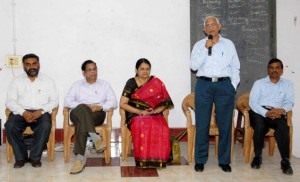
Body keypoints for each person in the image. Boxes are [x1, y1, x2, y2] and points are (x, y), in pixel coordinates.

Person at [190, 16, 240, 172]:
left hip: (224, 85)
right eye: (207, 25)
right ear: (204, 30)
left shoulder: (229, 44)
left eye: (213, 24)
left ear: (220, 27)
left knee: (225, 124)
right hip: (204, 84)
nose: (210, 27)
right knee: (202, 123)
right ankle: (200, 160)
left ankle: (224, 160)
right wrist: (206, 48)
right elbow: (193, 66)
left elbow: (235, 67)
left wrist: (232, 86)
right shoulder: (199, 45)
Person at [5, 53, 59, 168]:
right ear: (24, 66)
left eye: (34, 63)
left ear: (39, 64)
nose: (32, 67)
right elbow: (10, 101)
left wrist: (41, 111)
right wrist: (23, 112)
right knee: (10, 126)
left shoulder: (48, 81)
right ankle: (21, 158)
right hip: (21, 112)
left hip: (41, 112)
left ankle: (35, 158)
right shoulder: (16, 81)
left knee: (45, 125)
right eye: (28, 64)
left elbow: (55, 101)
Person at [64, 60, 117, 174]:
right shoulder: (76, 85)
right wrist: (83, 106)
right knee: (82, 109)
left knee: (81, 122)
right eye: (90, 70)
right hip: (77, 112)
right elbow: (67, 101)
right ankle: (96, 139)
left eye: (95, 69)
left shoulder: (104, 84)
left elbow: (114, 102)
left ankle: (79, 159)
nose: (93, 72)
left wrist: (100, 107)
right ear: (83, 73)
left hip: (96, 114)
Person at [120, 58, 174, 168]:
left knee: (160, 125)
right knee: (142, 123)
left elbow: (165, 102)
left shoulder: (156, 82)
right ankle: (143, 159)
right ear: (136, 70)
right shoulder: (131, 82)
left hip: (153, 112)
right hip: (136, 113)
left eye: (148, 69)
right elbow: (123, 103)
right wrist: (140, 111)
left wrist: (156, 110)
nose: (145, 71)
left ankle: (159, 158)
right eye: (142, 69)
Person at [249, 58, 294, 175]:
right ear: (268, 70)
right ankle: (257, 157)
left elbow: (289, 102)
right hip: (259, 112)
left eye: (277, 68)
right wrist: (266, 113)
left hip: (278, 112)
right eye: (271, 68)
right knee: (259, 125)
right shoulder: (258, 83)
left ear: (282, 70)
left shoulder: (288, 84)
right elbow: (253, 103)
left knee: (283, 127)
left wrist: (281, 110)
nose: (274, 70)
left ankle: (285, 161)